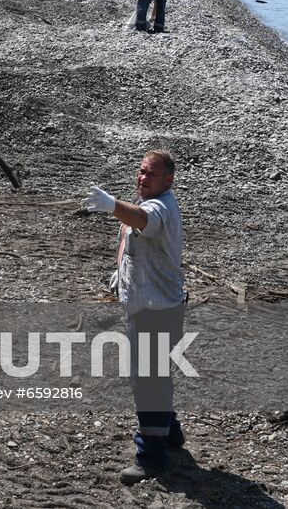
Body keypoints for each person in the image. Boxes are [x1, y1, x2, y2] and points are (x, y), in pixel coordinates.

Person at [86, 151, 186, 485]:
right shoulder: (146, 200)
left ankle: (152, 456)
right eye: (141, 172)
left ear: (168, 180)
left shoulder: (161, 207)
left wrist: (112, 204)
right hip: (153, 304)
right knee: (156, 373)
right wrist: (119, 273)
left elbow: (142, 220)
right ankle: (169, 430)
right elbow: (129, 231)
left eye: (151, 175)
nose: (143, 178)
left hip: (156, 310)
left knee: (147, 380)